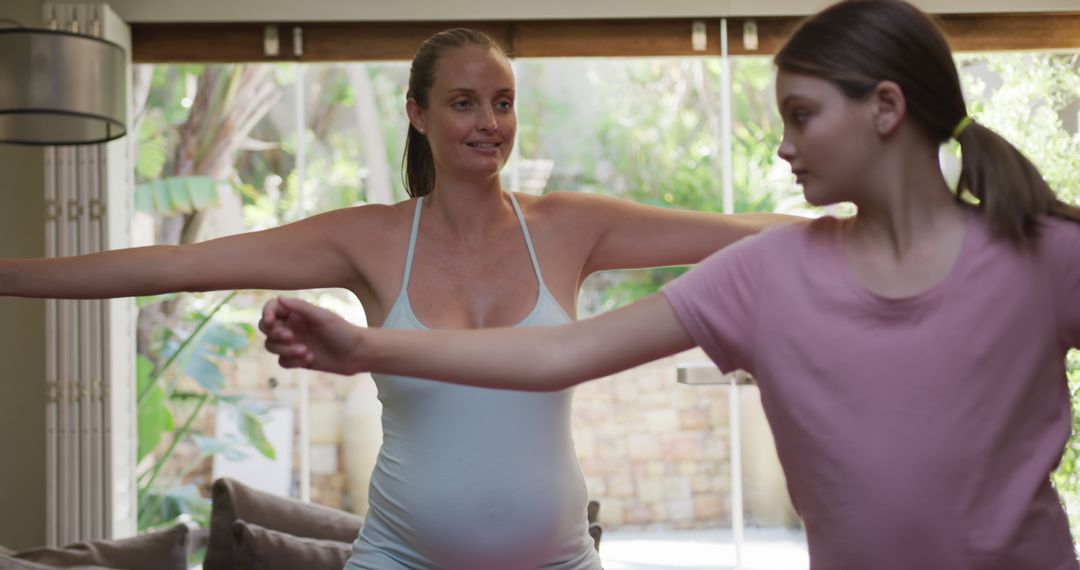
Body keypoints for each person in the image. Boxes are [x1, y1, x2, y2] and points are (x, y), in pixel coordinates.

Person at [260, 2, 1080, 569]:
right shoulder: (767, 274)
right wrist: (361, 344)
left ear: (886, 108)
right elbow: (562, 352)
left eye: (800, 116)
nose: (784, 147)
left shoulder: (1042, 256)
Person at [0, 28, 796, 569]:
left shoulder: (570, 227)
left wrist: (876, 218)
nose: (489, 123)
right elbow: (174, 265)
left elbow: (744, 230)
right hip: (399, 558)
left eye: (504, 101)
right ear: (416, 114)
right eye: (463, 102)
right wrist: (8, 274)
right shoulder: (371, 238)